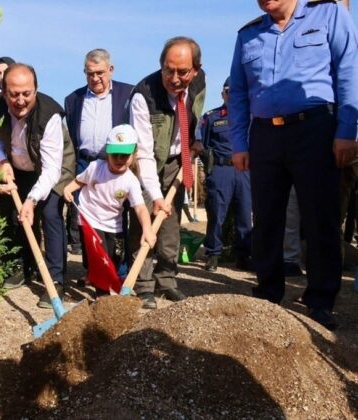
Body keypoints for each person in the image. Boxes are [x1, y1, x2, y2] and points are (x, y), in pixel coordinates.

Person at [229, 0, 357, 330]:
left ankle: (321, 300)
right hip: (265, 135)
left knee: (320, 217)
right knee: (267, 217)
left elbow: (348, 71)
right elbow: (239, 92)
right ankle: (268, 293)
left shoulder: (327, 14)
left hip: (315, 128)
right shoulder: (248, 34)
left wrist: (347, 130)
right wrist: (239, 144)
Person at [129, 36, 206, 309]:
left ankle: (168, 280)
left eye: (182, 72)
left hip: (178, 158)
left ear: (195, 69)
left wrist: (194, 139)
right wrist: (154, 194)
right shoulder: (143, 96)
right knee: (146, 221)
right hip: (147, 162)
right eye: (167, 70)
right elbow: (145, 153)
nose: (174, 78)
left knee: (171, 225)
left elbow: (193, 112)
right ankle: (143, 285)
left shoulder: (199, 82)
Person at [0, 63, 76, 308]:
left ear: (36, 90)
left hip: (51, 165)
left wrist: (31, 200)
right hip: (16, 164)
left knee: (49, 213)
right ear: (4, 92)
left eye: (26, 94)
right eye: (14, 94)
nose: (20, 100)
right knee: (10, 213)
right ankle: (20, 266)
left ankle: (56, 280)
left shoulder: (49, 116)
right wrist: (2, 160)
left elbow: (51, 170)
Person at [62, 124, 156, 296]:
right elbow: (80, 181)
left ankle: (99, 279)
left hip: (114, 225)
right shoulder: (95, 167)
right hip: (90, 219)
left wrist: (147, 229)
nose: (119, 158)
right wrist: (68, 189)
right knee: (100, 259)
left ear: (134, 154)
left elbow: (141, 208)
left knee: (114, 258)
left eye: (125, 155)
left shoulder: (131, 181)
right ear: (107, 153)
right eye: (115, 155)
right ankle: (103, 295)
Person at [64, 48, 134, 261]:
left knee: (118, 214)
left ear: (110, 70)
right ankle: (92, 268)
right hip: (85, 164)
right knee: (86, 216)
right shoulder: (73, 99)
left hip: (116, 164)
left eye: (100, 73)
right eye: (90, 73)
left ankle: (120, 265)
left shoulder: (128, 94)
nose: (95, 78)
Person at [197, 78, 252, 272]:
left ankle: (243, 256)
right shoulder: (212, 117)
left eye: (236, 91)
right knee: (216, 215)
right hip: (221, 170)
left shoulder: (250, 117)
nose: (232, 95)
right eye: (228, 91)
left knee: (245, 215)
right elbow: (201, 145)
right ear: (223, 94)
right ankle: (213, 255)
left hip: (245, 171)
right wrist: (209, 169)